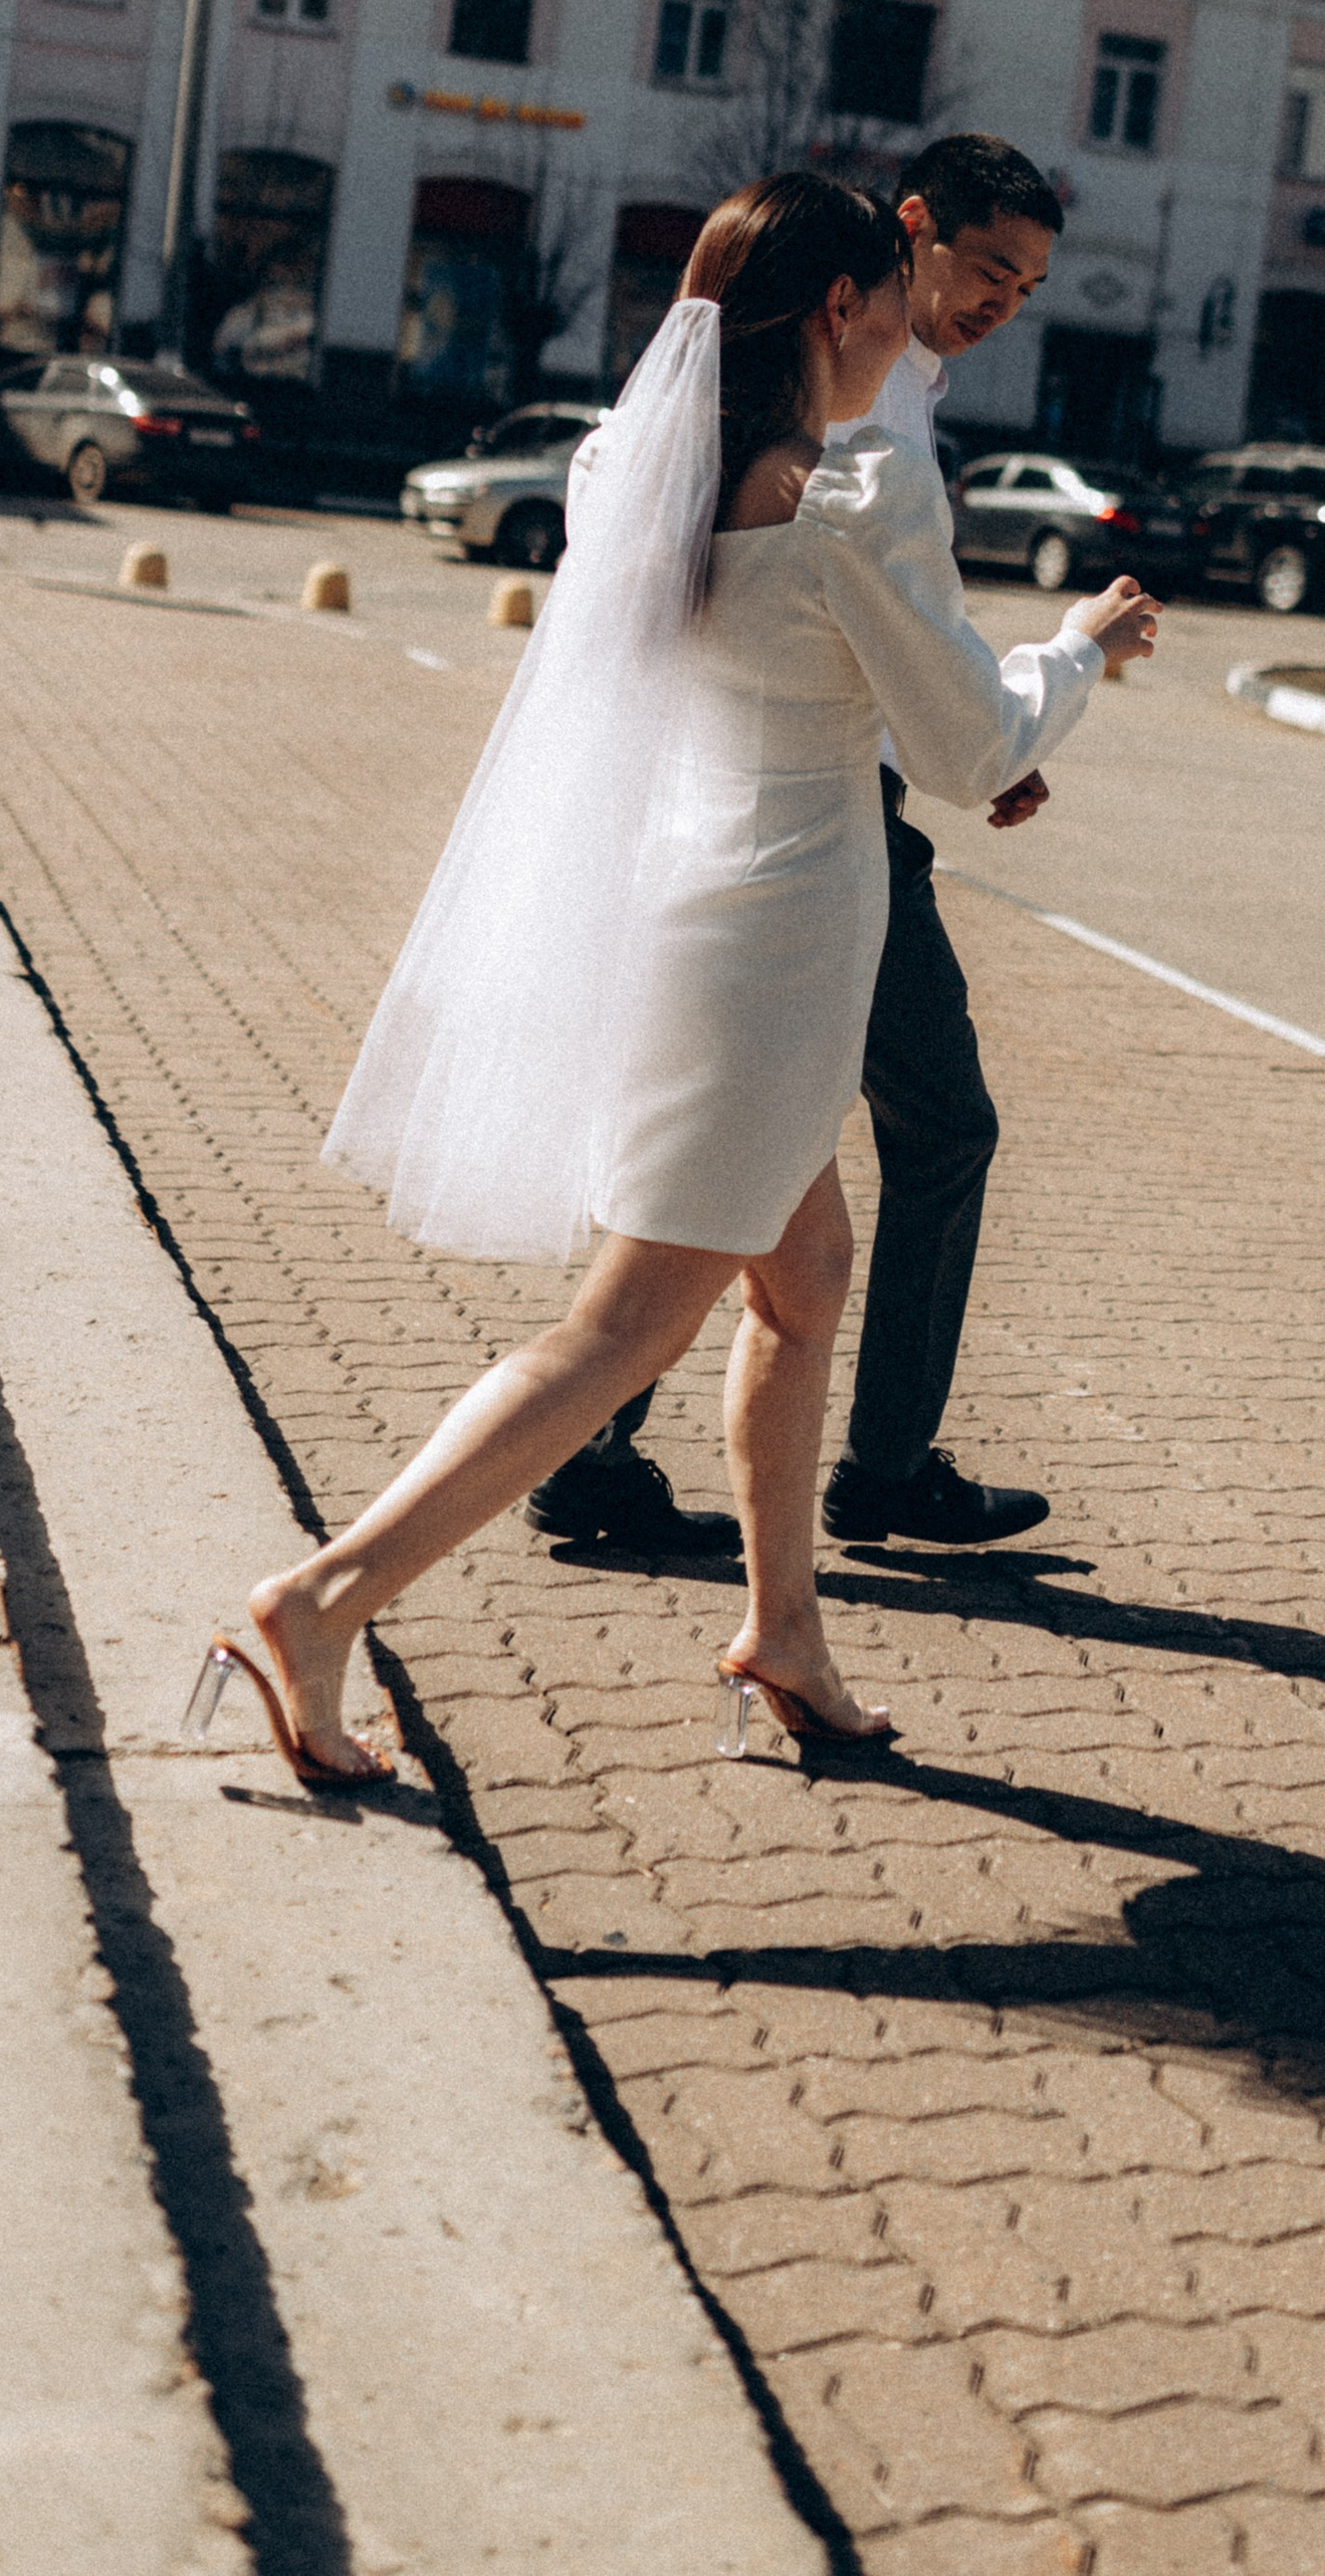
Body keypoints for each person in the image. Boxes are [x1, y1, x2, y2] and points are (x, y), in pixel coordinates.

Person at [192, 174, 1156, 1785]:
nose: (910, 331)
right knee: (622, 1328)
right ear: (841, 307)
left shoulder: (642, 469)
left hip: (686, 910)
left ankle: (787, 1632)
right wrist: (1076, 650)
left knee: (806, 1277)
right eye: (895, 300)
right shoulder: (843, 502)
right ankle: (322, 1599)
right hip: (777, 949)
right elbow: (969, 748)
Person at [531, 131, 1074, 1558]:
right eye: (987, 268)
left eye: (1028, 288)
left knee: (777, 1226)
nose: (1000, 303)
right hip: (816, 839)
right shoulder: (853, 420)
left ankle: (770, 1596)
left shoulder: (837, 394)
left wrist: (970, 734)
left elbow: (860, 637)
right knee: (910, 1137)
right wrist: (1051, 680)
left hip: (761, 816)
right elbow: (870, 626)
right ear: (905, 237)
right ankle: (849, 1471)